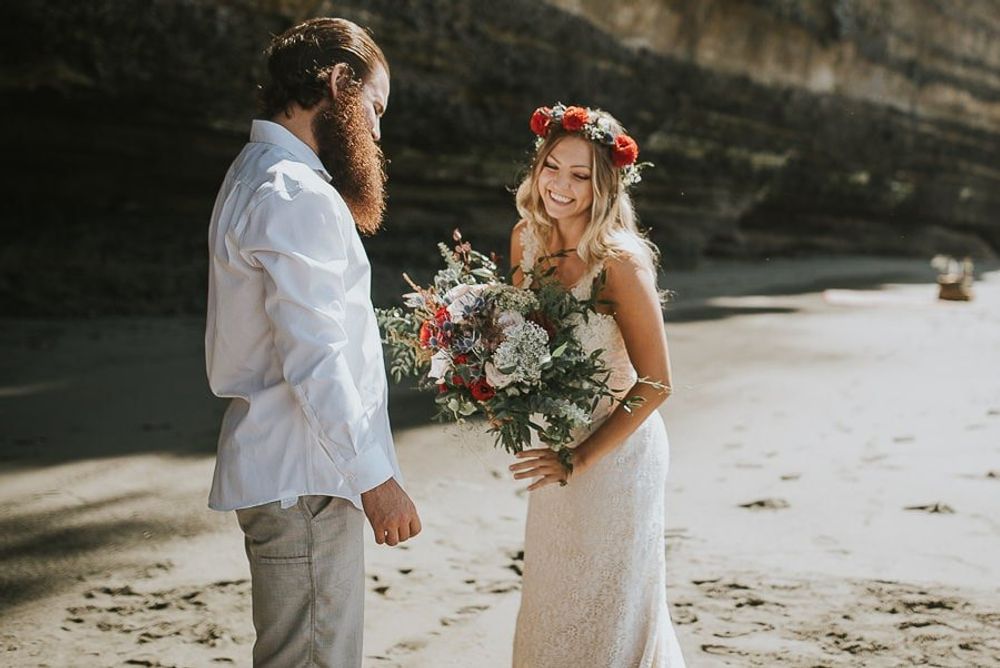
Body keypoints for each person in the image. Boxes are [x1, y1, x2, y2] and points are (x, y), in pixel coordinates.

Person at [204, 18, 421, 668]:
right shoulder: (294, 192)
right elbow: (316, 354)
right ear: (337, 81)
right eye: (374, 107)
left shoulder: (255, 173)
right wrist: (375, 479)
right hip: (308, 481)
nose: (377, 132)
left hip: (291, 471)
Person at [508, 104, 686, 666]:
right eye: (552, 167)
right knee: (553, 601)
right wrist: (496, 392)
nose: (560, 185)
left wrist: (580, 458)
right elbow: (520, 337)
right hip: (554, 444)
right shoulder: (525, 239)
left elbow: (657, 382)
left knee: (608, 613)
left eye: (580, 175)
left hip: (617, 456)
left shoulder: (620, 263)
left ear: (604, 184)